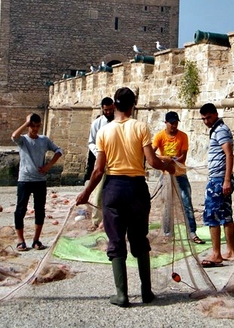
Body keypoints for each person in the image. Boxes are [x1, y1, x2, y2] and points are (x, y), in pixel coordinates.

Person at [76, 87, 175, 307]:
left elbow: (98, 170)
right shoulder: (140, 127)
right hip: (137, 188)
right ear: (133, 105)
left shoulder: (104, 132)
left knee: (116, 240)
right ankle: (146, 291)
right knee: (140, 239)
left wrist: (86, 192)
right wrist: (167, 166)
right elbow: (152, 161)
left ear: (115, 105)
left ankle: (121, 295)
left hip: (114, 188)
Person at [12, 113, 63, 252]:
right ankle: (21, 240)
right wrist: (25, 123)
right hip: (25, 179)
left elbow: (59, 150)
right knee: (20, 210)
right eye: (32, 126)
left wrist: (49, 165)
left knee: (40, 210)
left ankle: (36, 239)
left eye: (37, 126)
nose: (34, 129)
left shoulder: (44, 140)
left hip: (40, 180)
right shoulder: (23, 140)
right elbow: (14, 136)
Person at [152, 111, 205, 245]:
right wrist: (165, 159)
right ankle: (167, 233)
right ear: (166, 123)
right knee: (167, 205)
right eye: (172, 123)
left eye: (176, 123)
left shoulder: (183, 136)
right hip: (166, 176)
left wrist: (173, 161)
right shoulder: (159, 136)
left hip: (180, 173)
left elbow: (183, 157)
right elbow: (151, 154)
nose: (174, 126)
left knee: (186, 202)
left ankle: (192, 232)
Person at [199, 103, 234, 268]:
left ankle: (216, 253)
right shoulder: (218, 129)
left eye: (209, 117)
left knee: (212, 216)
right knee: (226, 214)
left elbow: (229, 154)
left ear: (215, 114)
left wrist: (226, 179)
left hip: (218, 180)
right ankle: (230, 251)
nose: (206, 121)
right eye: (203, 119)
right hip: (220, 178)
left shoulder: (220, 130)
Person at [85, 97, 115, 228]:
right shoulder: (97, 123)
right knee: (98, 192)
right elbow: (91, 142)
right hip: (102, 160)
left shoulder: (118, 122)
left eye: (110, 110)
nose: (108, 112)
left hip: (116, 161)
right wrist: (98, 153)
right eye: (105, 110)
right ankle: (96, 221)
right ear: (102, 109)